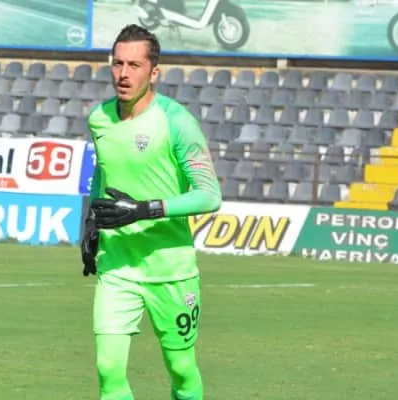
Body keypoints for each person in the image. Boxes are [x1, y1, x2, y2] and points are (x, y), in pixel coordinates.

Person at [81, 24, 222, 400]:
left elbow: (210, 196)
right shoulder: (99, 119)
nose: (123, 74)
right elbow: (103, 172)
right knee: (108, 369)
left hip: (170, 270)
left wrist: (145, 210)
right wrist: (91, 225)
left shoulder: (177, 122)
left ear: (154, 72)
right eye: (118, 64)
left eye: (134, 65)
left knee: (182, 370)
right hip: (118, 266)